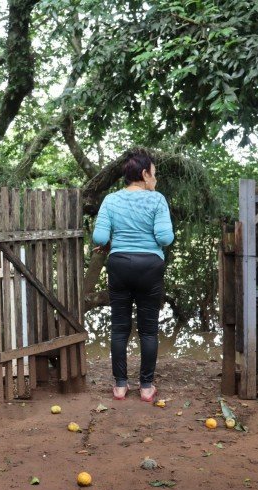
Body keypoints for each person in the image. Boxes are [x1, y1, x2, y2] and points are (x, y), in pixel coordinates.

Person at [92, 150, 174, 402]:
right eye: (154, 174)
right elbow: (165, 238)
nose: (156, 180)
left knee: (119, 328)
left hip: (120, 265)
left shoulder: (111, 200)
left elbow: (99, 238)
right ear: (143, 173)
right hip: (150, 266)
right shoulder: (157, 200)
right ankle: (147, 387)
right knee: (148, 330)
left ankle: (120, 385)